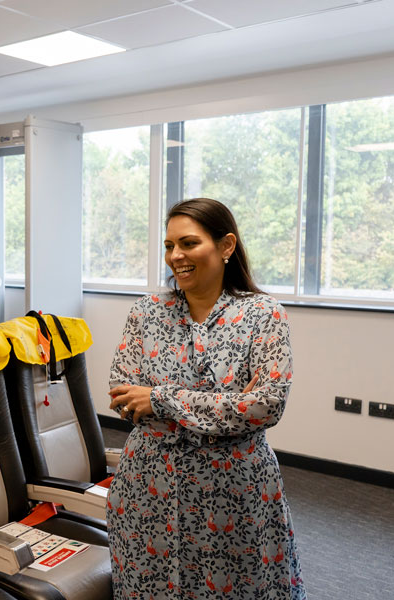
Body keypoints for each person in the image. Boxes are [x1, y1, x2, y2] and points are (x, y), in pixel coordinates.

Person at [107, 198, 305, 599]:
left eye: (189, 243)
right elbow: (124, 394)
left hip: (233, 493)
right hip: (149, 488)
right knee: (151, 585)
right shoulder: (146, 313)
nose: (175, 256)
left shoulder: (264, 315)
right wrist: (221, 408)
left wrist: (161, 399)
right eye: (168, 246)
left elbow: (264, 406)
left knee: (238, 586)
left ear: (226, 246)